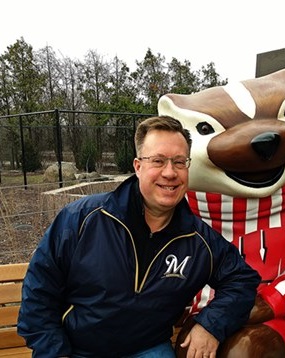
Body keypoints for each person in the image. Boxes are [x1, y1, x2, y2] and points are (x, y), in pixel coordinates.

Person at [18, 115, 261, 358]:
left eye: (179, 162)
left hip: (147, 349)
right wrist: (55, 353)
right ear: (137, 166)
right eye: (158, 161)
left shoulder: (198, 240)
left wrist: (210, 325)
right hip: (76, 350)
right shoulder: (83, 218)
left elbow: (242, 280)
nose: (170, 172)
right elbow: (39, 293)